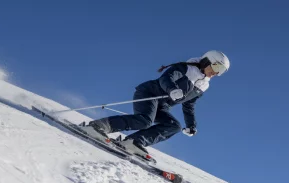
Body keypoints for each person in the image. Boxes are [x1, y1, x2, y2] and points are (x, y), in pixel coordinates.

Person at [82, 50, 230, 156]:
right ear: (207, 61)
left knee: (174, 126)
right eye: (217, 67)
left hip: (162, 105)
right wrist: (172, 89)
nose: (217, 73)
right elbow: (165, 79)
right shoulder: (186, 68)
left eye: (221, 71)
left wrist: (191, 125)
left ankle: (133, 142)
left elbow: (189, 105)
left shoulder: (204, 85)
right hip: (150, 93)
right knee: (144, 121)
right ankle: (97, 126)